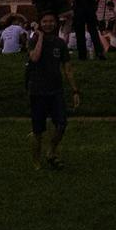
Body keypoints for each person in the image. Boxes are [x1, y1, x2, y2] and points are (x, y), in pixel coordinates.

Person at [26, 11, 80, 170]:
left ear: (55, 23)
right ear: (40, 24)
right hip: (37, 90)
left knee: (62, 124)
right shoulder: (33, 40)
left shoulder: (60, 43)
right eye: (44, 21)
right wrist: (40, 37)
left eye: (51, 21)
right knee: (38, 130)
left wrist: (75, 90)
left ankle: (51, 151)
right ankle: (36, 161)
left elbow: (67, 68)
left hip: (55, 90)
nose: (48, 24)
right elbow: (34, 57)